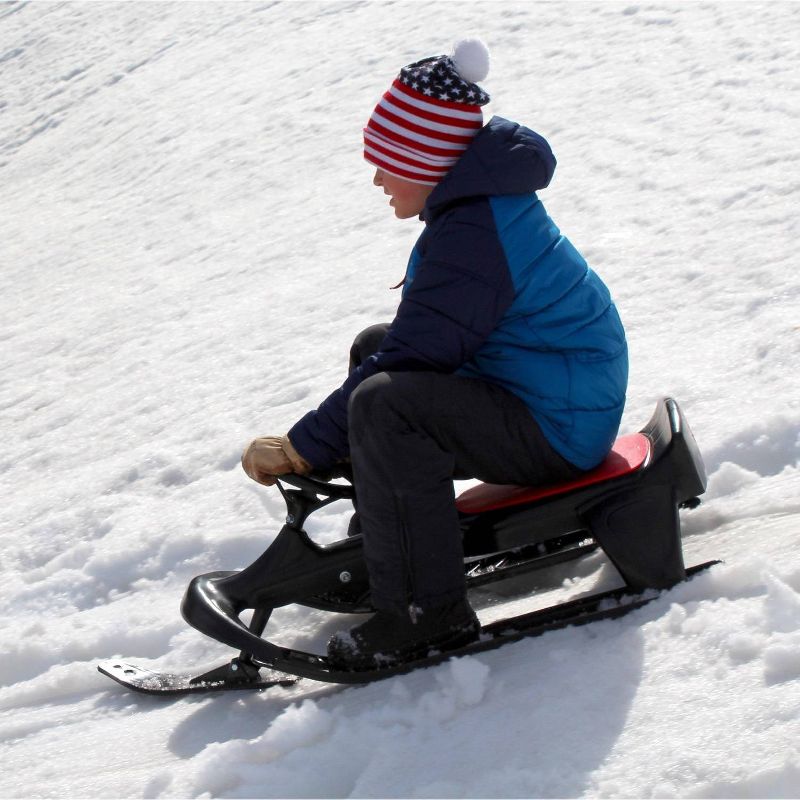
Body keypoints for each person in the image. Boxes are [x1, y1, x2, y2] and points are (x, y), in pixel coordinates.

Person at [241, 39, 628, 670]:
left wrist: (300, 447)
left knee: (389, 403)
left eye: (387, 163)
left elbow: (418, 357)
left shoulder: (475, 232)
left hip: (559, 426)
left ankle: (426, 613)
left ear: (426, 163)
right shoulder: (474, 211)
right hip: (543, 395)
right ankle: (388, 546)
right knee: (376, 352)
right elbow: (413, 346)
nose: (377, 179)